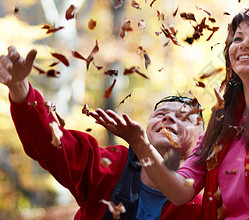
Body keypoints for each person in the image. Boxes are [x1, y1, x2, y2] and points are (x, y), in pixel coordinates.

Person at [94, 7, 249, 219]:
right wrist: (139, 143)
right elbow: (179, 191)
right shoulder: (224, 122)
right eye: (238, 38)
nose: (245, 44)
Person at [0, 46, 204, 220]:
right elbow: (54, 145)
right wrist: (20, 89)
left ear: (201, 140)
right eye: (161, 114)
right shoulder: (112, 166)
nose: (168, 119)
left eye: (184, 117)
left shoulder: (203, 206)